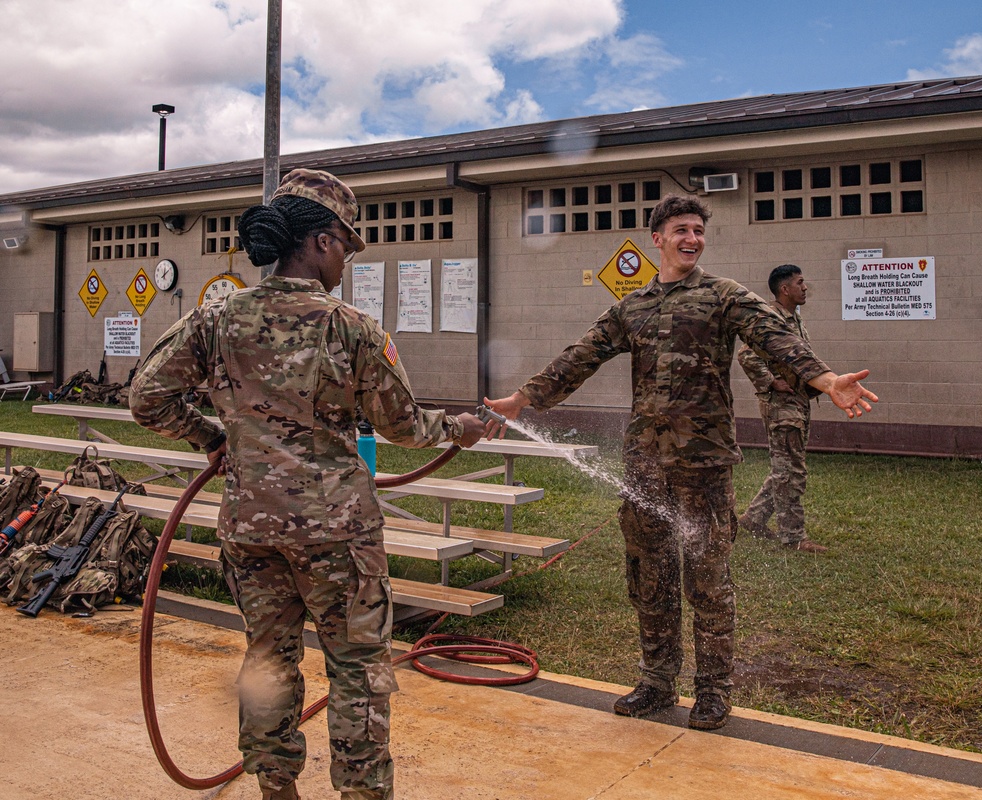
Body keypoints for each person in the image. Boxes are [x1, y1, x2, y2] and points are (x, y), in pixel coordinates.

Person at [130, 168, 486, 800]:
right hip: (337, 536)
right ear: (321, 241)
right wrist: (456, 428)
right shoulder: (350, 327)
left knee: (268, 661)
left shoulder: (214, 320)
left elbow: (147, 399)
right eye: (346, 246)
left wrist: (214, 437)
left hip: (251, 529)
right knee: (358, 671)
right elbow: (402, 426)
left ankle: (275, 788)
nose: (347, 261)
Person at [484, 194, 876, 732]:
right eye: (681, 230)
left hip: (705, 465)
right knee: (651, 576)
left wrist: (825, 379)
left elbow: (776, 337)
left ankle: (713, 690)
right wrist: (523, 399)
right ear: (658, 238)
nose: (692, 239)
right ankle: (655, 681)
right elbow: (582, 354)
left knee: (708, 579)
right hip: (645, 463)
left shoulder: (723, 296)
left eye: (698, 230)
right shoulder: (633, 306)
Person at [737, 264, 825, 552]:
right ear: (784, 289)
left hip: (797, 400)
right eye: (800, 282)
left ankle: (753, 518)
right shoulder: (770, 317)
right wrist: (771, 382)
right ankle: (793, 538)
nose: (805, 287)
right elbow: (747, 353)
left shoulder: (794, 318)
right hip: (781, 404)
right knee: (789, 470)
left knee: (787, 467)